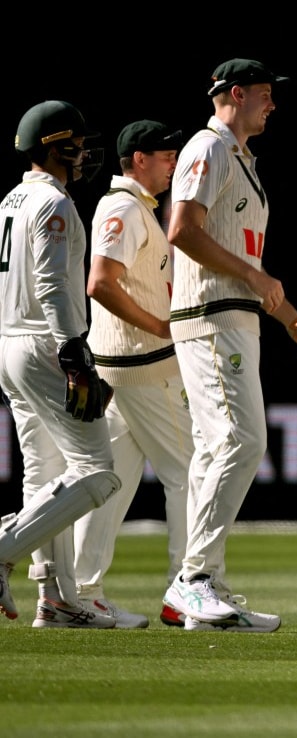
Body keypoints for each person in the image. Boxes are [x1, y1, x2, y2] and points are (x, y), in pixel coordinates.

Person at [162, 59, 297, 633]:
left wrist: (292, 321)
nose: (272, 105)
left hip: (232, 318)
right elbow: (181, 230)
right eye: (264, 95)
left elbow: (249, 264)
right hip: (211, 319)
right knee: (242, 439)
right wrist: (257, 283)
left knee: (216, 451)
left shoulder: (240, 159)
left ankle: (202, 587)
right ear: (235, 94)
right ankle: (193, 581)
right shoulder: (206, 148)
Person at [0, 100, 122, 627]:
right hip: (44, 343)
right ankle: (5, 545)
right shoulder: (53, 202)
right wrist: (74, 351)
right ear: (57, 145)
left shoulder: (10, 198)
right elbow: (51, 283)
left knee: (43, 470)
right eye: (77, 142)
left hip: (10, 342)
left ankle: (56, 598)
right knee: (97, 473)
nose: (84, 152)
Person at [70, 120, 191, 629]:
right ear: (138, 159)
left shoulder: (136, 207)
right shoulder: (123, 208)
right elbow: (100, 283)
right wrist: (162, 326)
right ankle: (189, 588)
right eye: (166, 155)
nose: (174, 163)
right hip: (143, 370)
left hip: (122, 370)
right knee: (194, 475)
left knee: (110, 484)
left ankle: (81, 593)